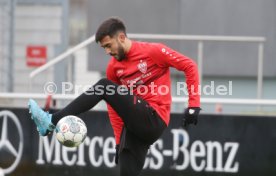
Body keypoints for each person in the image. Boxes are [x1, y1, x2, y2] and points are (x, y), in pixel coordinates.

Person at [28, 17, 201, 176]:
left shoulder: (154, 51)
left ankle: (51, 121)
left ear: (122, 38)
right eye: (104, 48)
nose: (107, 51)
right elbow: (114, 107)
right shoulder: (114, 68)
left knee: (103, 86)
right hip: (135, 127)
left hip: (154, 117)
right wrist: (118, 141)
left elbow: (190, 66)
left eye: (109, 45)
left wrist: (194, 105)